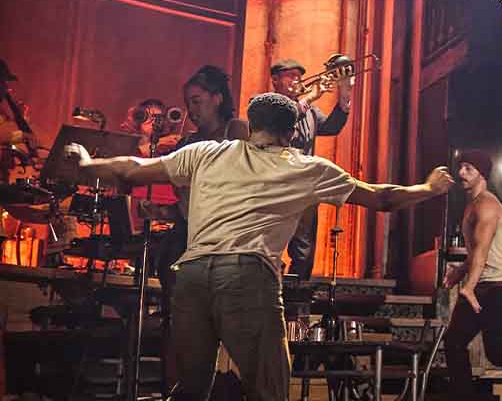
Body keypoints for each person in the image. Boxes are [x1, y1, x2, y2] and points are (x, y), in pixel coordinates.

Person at [64, 92, 453, 401]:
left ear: (251, 125)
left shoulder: (205, 152)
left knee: (191, 390)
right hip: (246, 276)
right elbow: (382, 198)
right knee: (269, 389)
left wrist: (84, 164)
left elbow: (131, 168)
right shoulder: (306, 167)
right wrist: (429, 188)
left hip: (192, 277)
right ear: (292, 129)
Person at [157, 65, 250, 392]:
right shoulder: (188, 143)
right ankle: (179, 389)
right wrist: (161, 208)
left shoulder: (236, 131)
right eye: (188, 103)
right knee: (179, 324)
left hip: (223, 241)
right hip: (186, 239)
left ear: (217, 98)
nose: (191, 110)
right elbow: (183, 198)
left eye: (197, 101)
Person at [441, 149, 502, 400]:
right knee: (454, 343)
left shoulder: (487, 206)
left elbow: (483, 252)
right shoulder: (471, 205)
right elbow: (476, 252)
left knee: (498, 354)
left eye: (468, 169)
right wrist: (460, 272)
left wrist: (468, 287)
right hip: (480, 284)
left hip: (500, 287)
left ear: (482, 174)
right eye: (461, 167)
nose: (461, 173)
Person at [269, 57, 352, 280]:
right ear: (275, 80)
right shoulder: (266, 104)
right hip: (274, 185)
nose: (297, 80)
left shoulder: (311, 111)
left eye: (299, 76)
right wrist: (311, 96)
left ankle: (297, 301)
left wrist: (344, 88)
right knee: (269, 246)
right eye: (290, 76)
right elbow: (281, 120)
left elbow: (333, 126)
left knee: (304, 252)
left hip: (304, 186)